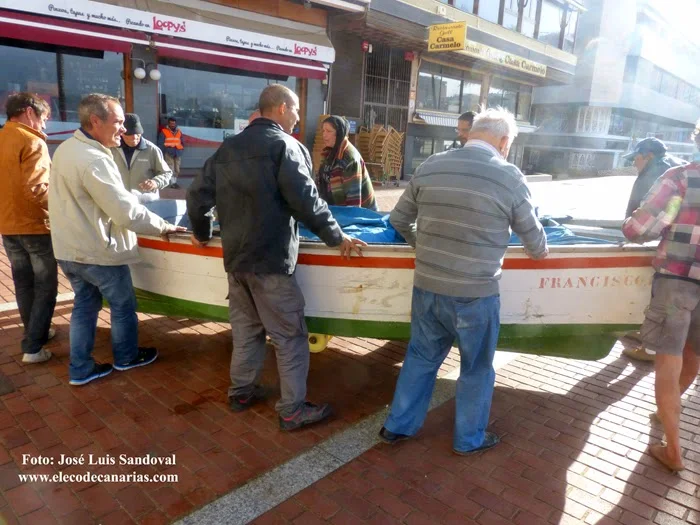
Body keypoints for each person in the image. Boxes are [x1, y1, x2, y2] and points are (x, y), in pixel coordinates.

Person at [187, 85, 366, 431]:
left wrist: (203, 231)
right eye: (296, 109)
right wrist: (336, 236)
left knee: (247, 331)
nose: (299, 116)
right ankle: (292, 410)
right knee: (290, 337)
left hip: (237, 262)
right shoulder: (286, 146)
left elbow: (196, 197)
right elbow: (307, 202)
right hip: (271, 262)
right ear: (282, 108)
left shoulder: (228, 148)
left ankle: (241, 392)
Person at [380, 107, 548, 455]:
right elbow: (536, 245)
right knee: (476, 368)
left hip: (428, 286)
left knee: (421, 356)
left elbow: (398, 219)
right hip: (476, 294)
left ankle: (397, 426)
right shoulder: (510, 177)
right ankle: (468, 439)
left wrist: (422, 245)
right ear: (504, 141)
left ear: (471, 134)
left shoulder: (430, 166)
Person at [49, 94, 185, 386]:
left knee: (84, 305)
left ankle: (80, 369)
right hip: (98, 251)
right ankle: (126, 357)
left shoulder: (66, 149)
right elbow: (126, 213)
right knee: (123, 306)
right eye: (119, 122)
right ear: (95, 121)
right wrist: (163, 226)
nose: (124, 129)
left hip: (68, 248)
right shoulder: (95, 160)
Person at [621, 120, 700, 472]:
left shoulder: (681, 179)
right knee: (694, 355)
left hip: (677, 284)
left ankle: (674, 451)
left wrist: (629, 227)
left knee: (668, 365)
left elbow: (643, 227)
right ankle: (668, 409)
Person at [0, 93, 58, 364]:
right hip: (34, 225)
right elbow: (38, 189)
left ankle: (38, 332)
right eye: (43, 118)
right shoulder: (32, 141)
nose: (45, 125)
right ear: (28, 112)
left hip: (8, 225)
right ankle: (33, 345)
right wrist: (62, 208)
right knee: (46, 285)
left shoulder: (3, 137)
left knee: (23, 283)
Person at [622, 138, 687, 362]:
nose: (634, 163)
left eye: (636, 158)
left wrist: (631, 230)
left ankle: (650, 347)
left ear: (648, 155)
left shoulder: (669, 175)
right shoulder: (671, 166)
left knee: (665, 316)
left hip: (677, 264)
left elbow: (654, 217)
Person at [316, 116, 377, 210]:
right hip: (336, 210)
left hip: (362, 216)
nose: (324, 135)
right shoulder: (328, 153)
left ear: (339, 133)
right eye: (323, 131)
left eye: (328, 131)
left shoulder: (350, 159)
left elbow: (353, 203)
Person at [111, 113, 172, 202]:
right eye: (130, 134)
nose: (135, 137)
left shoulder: (152, 150)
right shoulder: (111, 149)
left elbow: (166, 173)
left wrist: (155, 182)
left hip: (146, 201)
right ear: (122, 133)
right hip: (120, 201)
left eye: (137, 133)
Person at [158, 117, 184, 189]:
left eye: (174, 123)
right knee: (171, 168)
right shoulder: (164, 131)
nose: (173, 125)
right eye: (171, 123)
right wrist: (161, 153)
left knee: (177, 169)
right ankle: (173, 183)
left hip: (178, 152)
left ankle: (174, 182)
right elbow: (160, 143)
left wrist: (181, 149)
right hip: (169, 152)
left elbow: (182, 142)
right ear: (168, 123)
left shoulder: (179, 132)